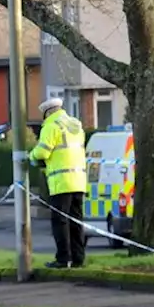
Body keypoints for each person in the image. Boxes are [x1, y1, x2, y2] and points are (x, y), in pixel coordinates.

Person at [30, 97, 88, 268]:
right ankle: (78, 258)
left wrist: (30, 156)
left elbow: (42, 153)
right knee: (76, 221)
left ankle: (63, 259)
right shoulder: (76, 126)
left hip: (61, 182)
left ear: (48, 112)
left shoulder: (51, 126)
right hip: (78, 181)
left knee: (60, 221)